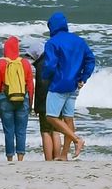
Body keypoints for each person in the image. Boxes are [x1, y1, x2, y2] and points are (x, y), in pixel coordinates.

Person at [41, 11, 96, 159]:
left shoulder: (52, 43)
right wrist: (84, 78)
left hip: (59, 84)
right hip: (75, 84)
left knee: (51, 117)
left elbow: (50, 65)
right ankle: (64, 154)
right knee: (68, 118)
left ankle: (77, 140)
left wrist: (45, 77)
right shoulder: (79, 41)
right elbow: (90, 59)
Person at [0, 36, 34, 162]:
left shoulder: (1, 63)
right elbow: (30, 85)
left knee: (9, 131)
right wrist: (30, 102)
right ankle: (20, 158)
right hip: (23, 99)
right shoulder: (25, 63)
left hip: (5, 100)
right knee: (21, 131)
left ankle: (9, 158)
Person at [25, 41, 58, 161]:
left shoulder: (40, 65)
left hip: (45, 102)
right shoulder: (54, 59)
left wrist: (36, 107)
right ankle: (57, 157)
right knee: (56, 131)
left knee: (45, 131)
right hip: (57, 99)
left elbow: (41, 88)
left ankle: (49, 160)